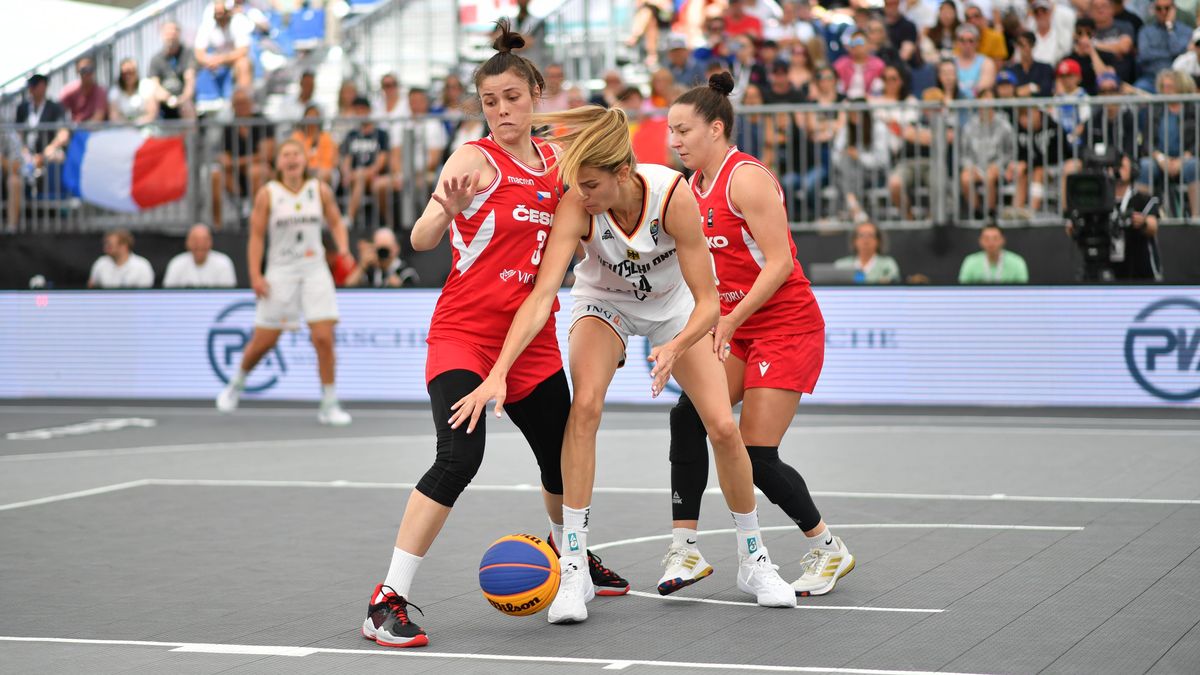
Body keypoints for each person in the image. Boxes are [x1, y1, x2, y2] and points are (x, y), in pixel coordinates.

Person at [449, 98, 799, 625]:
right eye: (577, 185)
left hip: (673, 309)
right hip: (603, 303)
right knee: (585, 407)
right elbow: (542, 296)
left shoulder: (672, 195)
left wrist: (676, 347)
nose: (581, 195)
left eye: (591, 185)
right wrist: (499, 370)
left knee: (724, 427)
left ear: (622, 172)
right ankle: (574, 569)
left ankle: (753, 560)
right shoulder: (578, 204)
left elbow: (708, 301)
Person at [359, 21, 630, 649]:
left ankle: (573, 556)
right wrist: (445, 211)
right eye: (489, 101)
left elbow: (582, 233)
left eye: (511, 97)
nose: (502, 110)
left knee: (561, 457)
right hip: (466, 335)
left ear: (535, 95)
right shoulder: (472, 160)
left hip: (531, 339)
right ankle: (385, 600)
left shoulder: (559, 164)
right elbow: (421, 238)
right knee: (460, 457)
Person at [654, 73, 855, 599]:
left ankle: (828, 547)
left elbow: (781, 263)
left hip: (785, 325)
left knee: (756, 452)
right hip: (737, 327)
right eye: (670, 131)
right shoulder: (689, 188)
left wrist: (729, 320)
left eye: (683, 130)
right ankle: (685, 548)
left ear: (715, 128)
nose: (674, 140)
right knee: (688, 417)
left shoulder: (745, 179)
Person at [215, 139, 352, 426]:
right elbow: (256, 237)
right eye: (286, 155)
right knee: (264, 341)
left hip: (314, 268)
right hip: (281, 270)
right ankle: (236, 383)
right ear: (278, 163)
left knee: (323, 338)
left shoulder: (319, 190)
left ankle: (329, 403)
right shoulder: (268, 194)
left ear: (305, 160)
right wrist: (255, 275)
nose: (291, 159)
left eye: (296, 154)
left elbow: (336, 222)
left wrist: (343, 248)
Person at [7, 74, 69, 230]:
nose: (32, 88)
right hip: (26, 157)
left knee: (57, 157)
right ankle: (13, 223)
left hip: (47, 154)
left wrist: (46, 152)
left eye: (35, 84)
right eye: (31, 85)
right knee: (13, 172)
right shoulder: (22, 108)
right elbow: (18, 135)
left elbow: (63, 134)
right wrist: (26, 154)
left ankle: (57, 211)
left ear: (44, 86)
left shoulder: (55, 107)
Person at [212, 87, 275, 227]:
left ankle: (257, 222)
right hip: (237, 174)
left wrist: (237, 162)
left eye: (243, 102)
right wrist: (224, 159)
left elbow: (266, 155)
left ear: (251, 103)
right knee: (216, 175)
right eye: (237, 103)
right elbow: (224, 154)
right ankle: (217, 227)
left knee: (255, 171)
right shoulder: (229, 127)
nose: (241, 107)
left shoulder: (263, 122)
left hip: (262, 173)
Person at [960, 88, 1016, 218]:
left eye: (989, 100)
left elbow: (1010, 151)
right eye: (983, 100)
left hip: (998, 166)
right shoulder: (969, 126)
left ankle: (990, 213)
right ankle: (977, 212)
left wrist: (998, 165)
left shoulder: (1004, 125)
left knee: (990, 175)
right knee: (965, 178)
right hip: (976, 166)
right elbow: (964, 153)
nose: (986, 104)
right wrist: (970, 167)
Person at [340, 96, 390, 227]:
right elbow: (346, 159)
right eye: (357, 110)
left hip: (374, 175)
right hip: (355, 177)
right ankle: (347, 219)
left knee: (361, 176)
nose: (360, 113)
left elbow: (382, 160)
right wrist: (347, 174)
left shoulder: (381, 134)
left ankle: (349, 217)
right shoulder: (351, 135)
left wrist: (367, 172)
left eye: (362, 109)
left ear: (369, 110)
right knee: (358, 178)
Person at [1135, 0, 1194, 91]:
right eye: (1159, 9)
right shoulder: (1146, 31)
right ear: (1154, 10)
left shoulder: (1186, 31)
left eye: (1167, 8)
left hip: (1178, 80)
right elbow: (1144, 54)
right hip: (1151, 78)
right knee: (1139, 87)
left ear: (1174, 9)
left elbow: (1177, 51)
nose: (1163, 12)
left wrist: (1169, 27)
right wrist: (1170, 54)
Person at [163, 223, 237, 287]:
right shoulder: (176, 263)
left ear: (211, 242)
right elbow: (167, 294)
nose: (200, 244)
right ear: (187, 243)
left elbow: (228, 294)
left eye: (204, 240)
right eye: (195, 240)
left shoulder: (224, 263)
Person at [149, 21, 197, 119]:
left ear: (179, 34)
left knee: (187, 106)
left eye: (173, 33)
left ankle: (191, 130)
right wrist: (167, 98)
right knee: (151, 101)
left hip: (183, 99)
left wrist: (183, 99)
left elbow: (190, 80)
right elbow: (155, 84)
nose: (170, 37)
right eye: (167, 33)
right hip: (164, 99)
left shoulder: (188, 54)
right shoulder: (156, 58)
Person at [349, 227, 418, 288]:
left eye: (386, 250)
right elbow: (348, 289)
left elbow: (413, 295)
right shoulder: (371, 271)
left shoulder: (406, 273)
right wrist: (362, 267)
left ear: (396, 248)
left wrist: (400, 288)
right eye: (380, 250)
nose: (383, 254)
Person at [834, 221, 901, 283]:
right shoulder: (841, 265)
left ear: (878, 241)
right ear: (854, 241)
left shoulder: (888, 265)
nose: (866, 240)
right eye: (861, 235)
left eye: (870, 235)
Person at [958, 224, 1029, 283]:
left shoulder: (1017, 262)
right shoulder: (970, 261)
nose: (991, 243)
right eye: (986, 239)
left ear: (1002, 240)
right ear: (980, 241)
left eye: (995, 238)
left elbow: (1022, 290)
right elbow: (963, 289)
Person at [88, 229, 155, 288]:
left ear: (124, 246)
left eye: (110, 245)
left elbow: (145, 294)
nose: (105, 248)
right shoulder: (100, 263)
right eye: (105, 244)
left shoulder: (142, 265)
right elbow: (91, 288)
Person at [291, 104, 338, 186]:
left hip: (323, 170)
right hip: (303, 170)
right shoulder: (297, 136)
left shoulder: (326, 137)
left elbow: (330, 161)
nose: (312, 118)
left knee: (323, 175)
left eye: (315, 115)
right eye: (309, 115)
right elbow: (294, 158)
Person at [109, 59, 159, 124]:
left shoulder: (147, 86)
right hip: (123, 128)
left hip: (145, 126)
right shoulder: (115, 91)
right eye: (125, 73)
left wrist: (137, 123)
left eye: (131, 72)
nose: (128, 76)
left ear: (136, 72)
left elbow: (152, 114)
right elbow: (114, 117)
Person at [59, 56, 108, 122]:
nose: (87, 73)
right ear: (77, 71)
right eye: (84, 70)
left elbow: (98, 117)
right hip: (75, 126)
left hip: (94, 128)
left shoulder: (100, 91)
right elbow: (59, 113)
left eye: (90, 69)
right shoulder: (69, 91)